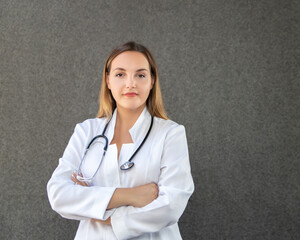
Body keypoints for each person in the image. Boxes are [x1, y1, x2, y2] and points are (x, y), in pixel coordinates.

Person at [47, 41, 194, 240]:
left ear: (152, 82)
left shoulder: (171, 134)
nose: (130, 83)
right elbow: (59, 194)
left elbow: (170, 206)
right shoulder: (87, 131)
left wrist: (102, 214)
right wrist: (130, 196)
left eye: (140, 75)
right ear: (108, 81)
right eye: (120, 74)